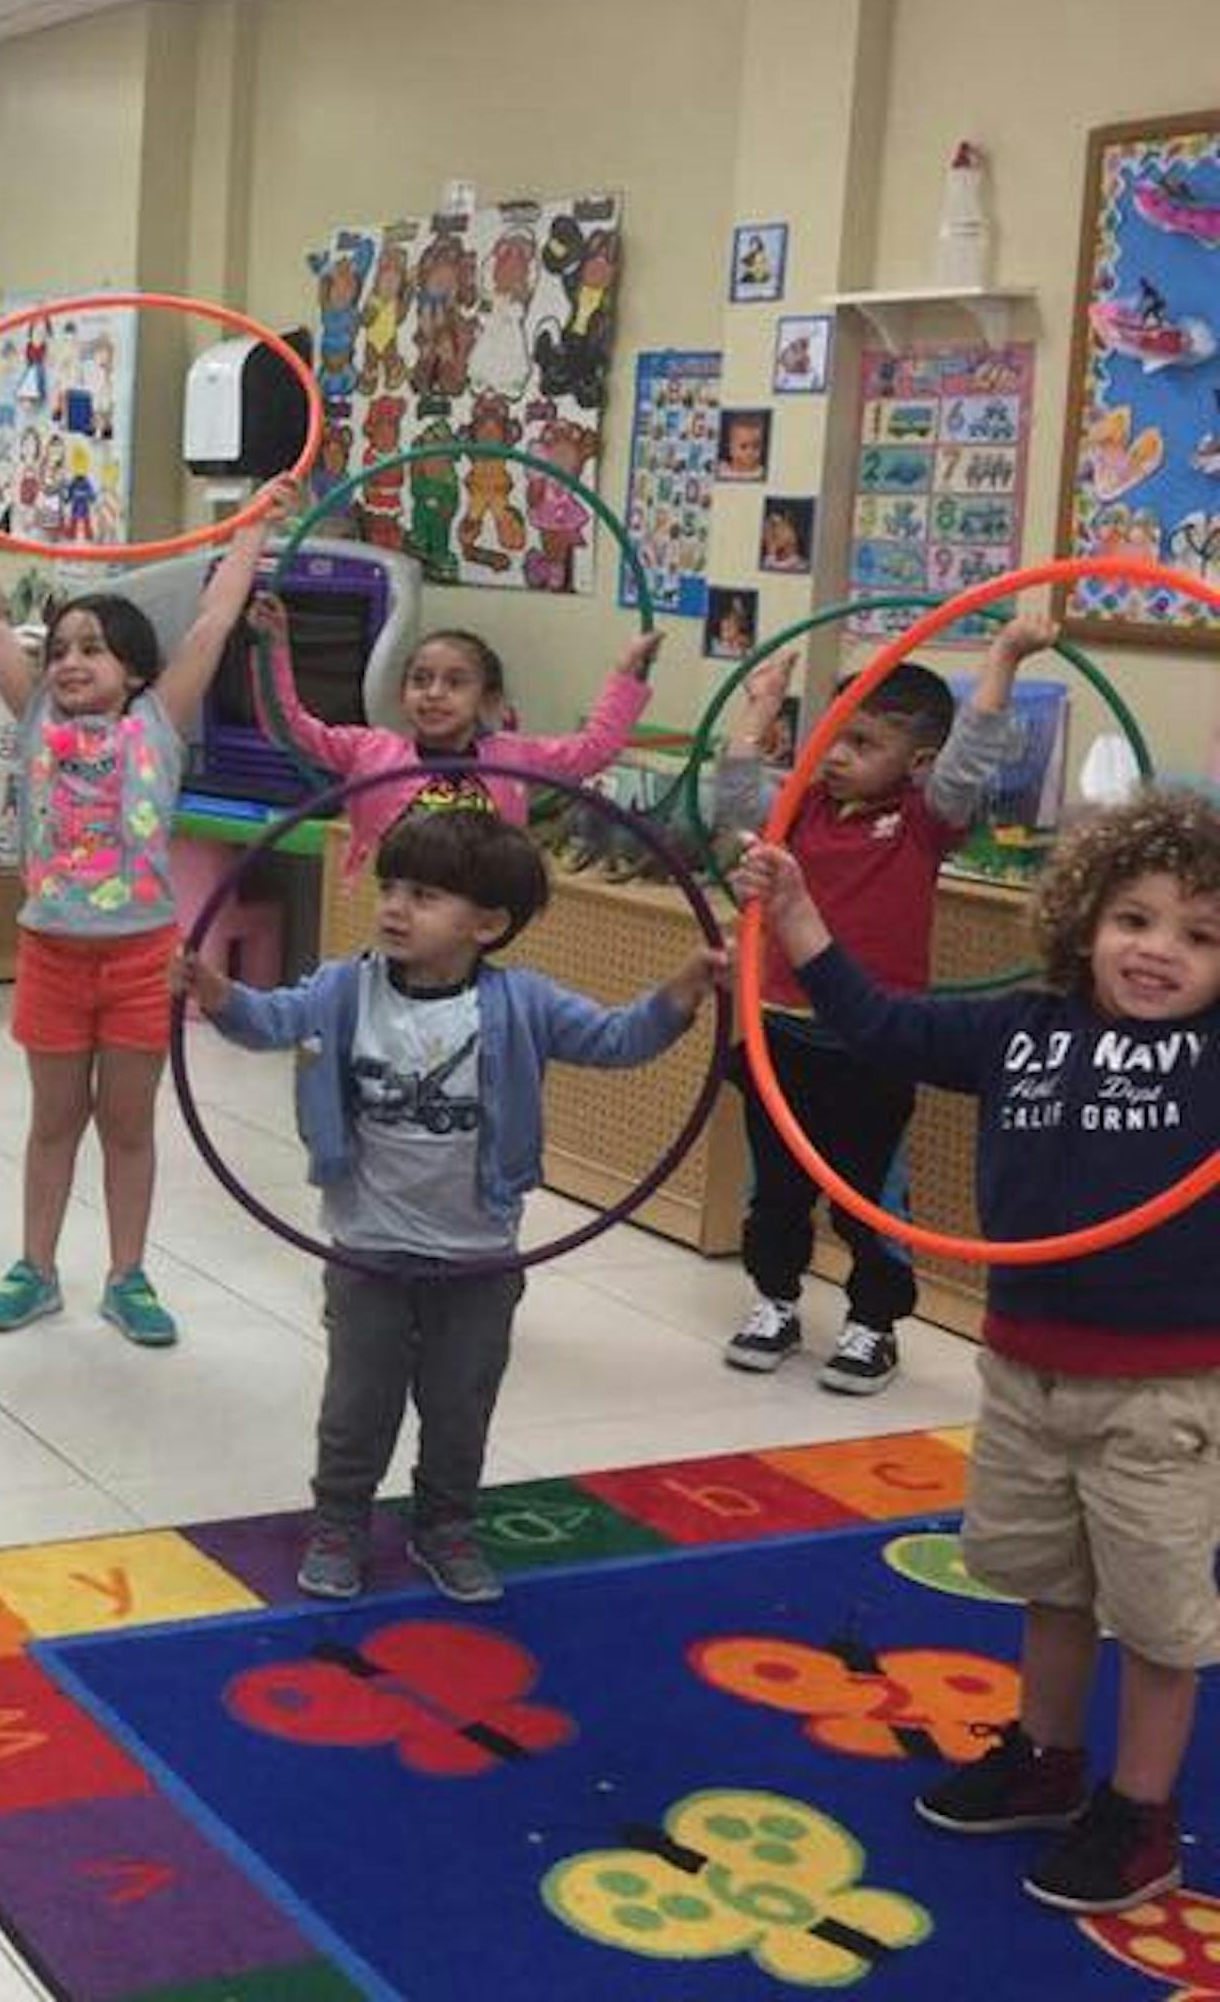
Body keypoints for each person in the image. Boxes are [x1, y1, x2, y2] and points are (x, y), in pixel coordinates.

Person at [734, 789, 1220, 1916]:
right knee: (1049, 1583)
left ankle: (1140, 1814)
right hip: (1025, 1373)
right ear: (1085, 920)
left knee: (1159, 1618)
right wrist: (797, 915)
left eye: (1200, 936)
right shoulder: (1020, 1027)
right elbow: (882, 1028)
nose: (1159, 951)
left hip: (1161, 1393)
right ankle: (1045, 1758)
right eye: (1135, 920)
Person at [190, 809, 723, 1603]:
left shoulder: (524, 1003)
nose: (395, 907)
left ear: (488, 925)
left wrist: (682, 990)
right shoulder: (343, 988)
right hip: (367, 1246)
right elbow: (269, 1021)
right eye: (391, 888)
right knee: (358, 1402)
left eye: (425, 895)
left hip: (478, 1254)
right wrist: (216, 992)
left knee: (460, 1403)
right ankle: (340, 1521)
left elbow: (614, 1040)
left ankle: (445, 1525)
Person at [0, 502, 271, 1347]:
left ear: (134, 670)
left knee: (128, 1126)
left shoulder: (158, 720)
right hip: (50, 955)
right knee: (54, 1121)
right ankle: (36, 1268)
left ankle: (128, 1275)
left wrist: (253, 527)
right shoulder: (36, 717)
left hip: (140, 957)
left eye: (92, 648)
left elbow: (214, 619)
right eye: (59, 649)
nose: (68, 662)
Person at [710, 613, 1044, 1392]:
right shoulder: (801, 809)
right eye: (832, 736)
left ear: (916, 762)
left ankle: (873, 1323)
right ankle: (775, 1301)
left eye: (862, 744)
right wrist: (762, 707)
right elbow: (735, 803)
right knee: (775, 1186)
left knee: (870, 1194)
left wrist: (1003, 658)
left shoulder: (924, 821)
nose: (835, 755)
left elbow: (970, 758)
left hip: (874, 1043)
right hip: (781, 1029)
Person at [250, 599, 663, 876]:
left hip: (477, 920)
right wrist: (272, 646)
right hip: (389, 916)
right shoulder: (369, 750)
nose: (433, 693)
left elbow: (594, 750)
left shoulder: (512, 756)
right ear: (402, 693)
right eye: (420, 680)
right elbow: (288, 728)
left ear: (487, 699)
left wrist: (628, 673)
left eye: (455, 682)